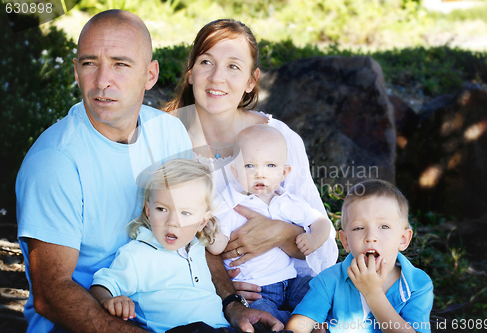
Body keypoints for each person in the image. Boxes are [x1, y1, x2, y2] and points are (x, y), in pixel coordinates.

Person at [16, 10, 280, 333]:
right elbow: (51, 294)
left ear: (150, 75)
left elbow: (194, 230)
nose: (102, 81)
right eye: (89, 64)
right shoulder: (54, 162)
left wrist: (231, 305)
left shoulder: (168, 133)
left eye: (120, 64)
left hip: (179, 316)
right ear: (75, 70)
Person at [163, 19, 338, 303]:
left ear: (251, 81)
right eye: (207, 62)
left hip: (284, 287)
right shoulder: (163, 138)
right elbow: (152, 232)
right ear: (191, 72)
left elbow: (325, 249)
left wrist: (283, 234)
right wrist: (224, 289)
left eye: (233, 66)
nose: (217, 77)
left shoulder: (278, 138)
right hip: (200, 293)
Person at [208, 125, 332, 323]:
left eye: (270, 166)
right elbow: (217, 245)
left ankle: (314, 322)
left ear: (284, 173)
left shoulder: (288, 201)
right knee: (264, 319)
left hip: (292, 282)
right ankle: (293, 323)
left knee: (320, 291)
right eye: (250, 166)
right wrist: (209, 234)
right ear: (235, 171)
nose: (260, 174)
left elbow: (321, 222)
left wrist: (314, 237)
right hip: (257, 290)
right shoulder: (230, 205)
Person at [90, 159, 229, 332]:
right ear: (148, 212)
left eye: (185, 213)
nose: (172, 222)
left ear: (202, 221)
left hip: (222, 327)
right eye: (162, 209)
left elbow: (218, 245)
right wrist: (109, 300)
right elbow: (102, 286)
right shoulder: (138, 254)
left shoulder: (197, 245)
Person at [285, 180, 434, 333]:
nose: (370, 236)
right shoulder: (329, 280)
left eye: (384, 226)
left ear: (403, 239)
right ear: (345, 241)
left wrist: (373, 293)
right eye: (359, 228)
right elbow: (297, 326)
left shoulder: (418, 284)